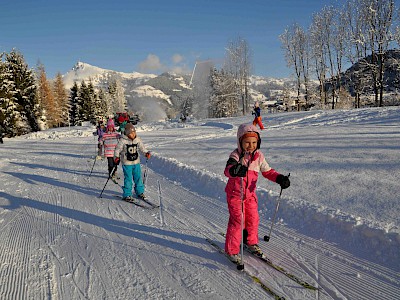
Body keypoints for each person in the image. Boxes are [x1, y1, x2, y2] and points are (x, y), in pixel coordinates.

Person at [224, 123, 290, 264]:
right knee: (238, 221)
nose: (251, 145)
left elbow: (268, 172)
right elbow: (227, 170)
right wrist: (235, 170)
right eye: (247, 142)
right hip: (235, 195)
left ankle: (251, 242)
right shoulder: (236, 155)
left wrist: (279, 178)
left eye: (254, 142)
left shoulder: (259, 156)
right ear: (240, 142)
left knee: (253, 219)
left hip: (250, 195)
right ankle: (231, 249)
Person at [114, 123, 151, 201]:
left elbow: (142, 148)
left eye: (134, 132)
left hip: (136, 162)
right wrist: (116, 157)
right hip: (127, 163)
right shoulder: (123, 140)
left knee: (138, 177)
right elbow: (117, 149)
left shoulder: (137, 139)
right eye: (131, 133)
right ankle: (127, 194)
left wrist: (146, 153)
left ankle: (139, 192)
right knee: (128, 179)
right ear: (127, 134)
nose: (133, 134)